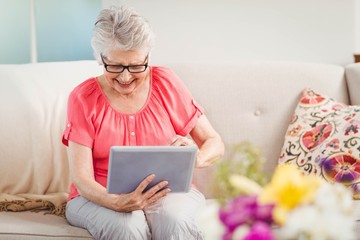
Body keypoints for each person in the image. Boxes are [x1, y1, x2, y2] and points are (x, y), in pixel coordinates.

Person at [62, 5, 224, 240]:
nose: (126, 77)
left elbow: (215, 142)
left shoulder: (166, 82)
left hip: (168, 192)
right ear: (101, 58)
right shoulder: (82, 98)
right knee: (128, 226)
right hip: (99, 195)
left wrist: (194, 157)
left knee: (175, 221)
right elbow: (82, 178)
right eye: (115, 66)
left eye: (137, 66)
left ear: (148, 56)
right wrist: (116, 202)